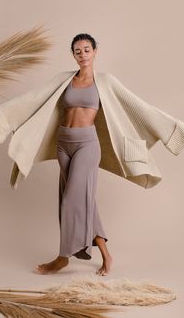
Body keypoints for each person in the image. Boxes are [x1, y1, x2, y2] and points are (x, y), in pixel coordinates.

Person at [36, 34, 112, 276]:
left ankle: (62, 257)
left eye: (87, 50)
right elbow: (37, 100)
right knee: (83, 200)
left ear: (95, 51)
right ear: (73, 55)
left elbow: (133, 106)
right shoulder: (65, 80)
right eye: (78, 51)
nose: (83, 55)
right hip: (63, 144)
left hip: (87, 145)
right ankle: (106, 255)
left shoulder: (105, 82)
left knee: (72, 200)